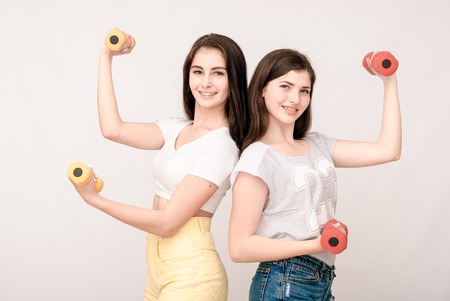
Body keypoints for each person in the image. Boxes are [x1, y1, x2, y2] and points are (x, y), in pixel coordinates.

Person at [69, 29, 248, 300]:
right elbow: (112, 129)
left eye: (218, 73)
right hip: (158, 268)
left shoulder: (221, 145)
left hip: (192, 274)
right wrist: (106, 57)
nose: (206, 82)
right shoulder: (176, 128)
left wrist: (95, 200)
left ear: (233, 80)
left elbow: (167, 223)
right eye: (198, 71)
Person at [228, 48, 401, 300]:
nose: (295, 99)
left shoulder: (317, 145)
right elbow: (239, 247)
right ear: (263, 88)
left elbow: (388, 151)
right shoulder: (258, 158)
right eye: (285, 86)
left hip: (320, 281)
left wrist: (389, 80)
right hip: (284, 281)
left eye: (304, 90)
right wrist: (317, 245)